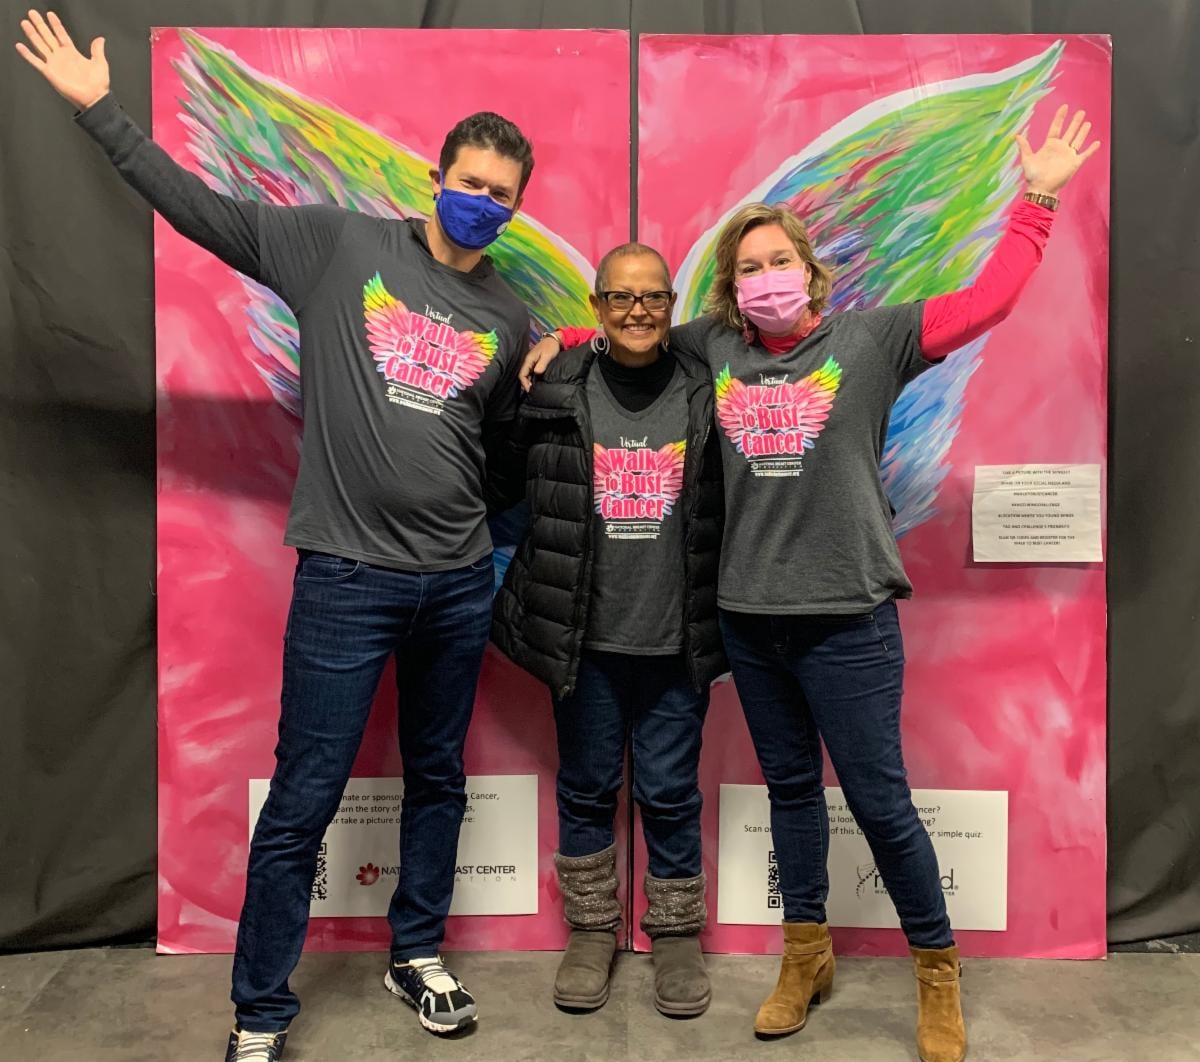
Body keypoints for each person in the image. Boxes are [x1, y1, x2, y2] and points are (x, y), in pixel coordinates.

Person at [523, 104, 1100, 1062]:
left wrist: (1035, 200)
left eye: (778, 262)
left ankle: (937, 971)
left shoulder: (872, 344)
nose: (765, 280)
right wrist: (565, 337)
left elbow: (989, 301)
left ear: (811, 270)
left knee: (879, 803)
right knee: (792, 795)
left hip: (849, 622)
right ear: (730, 290)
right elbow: (631, 332)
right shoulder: (715, 350)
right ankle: (806, 959)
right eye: (747, 269)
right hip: (750, 624)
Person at [17, 10, 542, 1058]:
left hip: (454, 583)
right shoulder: (338, 245)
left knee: (440, 776)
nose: (482, 204)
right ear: (436, 174)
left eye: (502, 196)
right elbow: (202, 212)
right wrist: (100, 115)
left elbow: (496, 457)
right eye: (470, 182)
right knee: (305, 794)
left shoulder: (512, 317)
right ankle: (260, 1011)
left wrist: (538, 395)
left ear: (517, 209)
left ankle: (416, 952)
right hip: (348, 581)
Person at [491, 243, 726, 1017]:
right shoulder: (555, 384)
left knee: (668, 792)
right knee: (588, 786)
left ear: (671, 306)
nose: (637, 311)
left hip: (675, 638)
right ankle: (591, 930)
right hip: (581, 640)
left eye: (653, 298)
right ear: (596, 306)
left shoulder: (705, 390)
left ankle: (677, 934)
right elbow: (506, 481)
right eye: (620, 298)